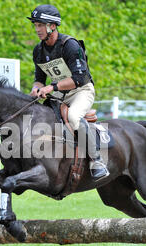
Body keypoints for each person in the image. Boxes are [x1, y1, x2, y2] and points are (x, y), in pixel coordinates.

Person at [27, 4, 109, 181]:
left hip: (81, 90)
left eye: (40, 25)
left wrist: (52, 87)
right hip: (59, 94)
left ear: (53, 26)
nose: (37, 29)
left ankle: (97, 161)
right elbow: (39, 78)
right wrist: (36, 88)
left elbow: (79, 78)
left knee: (73, 117)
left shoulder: (69, 45)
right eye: (35, 25)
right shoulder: (38, 51)